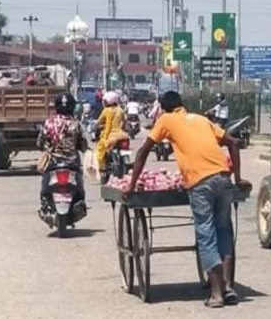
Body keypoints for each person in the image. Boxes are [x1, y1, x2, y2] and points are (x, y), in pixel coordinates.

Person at [125, 91, 250, 309]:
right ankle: (228, 286)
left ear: (163, 109)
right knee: (223, 231)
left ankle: (217, 294)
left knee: (206, 233)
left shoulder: (166, 119)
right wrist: (237, 178)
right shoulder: (202, 119)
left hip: (200, 183)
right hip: (223, 178)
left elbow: (144, 151)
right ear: (182, 104)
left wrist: (132, 184)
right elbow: (232, 142)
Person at [37, 94, 87, 208]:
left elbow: (40, 143)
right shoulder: (76, 124)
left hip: (53, 161)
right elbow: (83, 145)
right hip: (72, 162)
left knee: (45, 180)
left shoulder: (48, 122)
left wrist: (46, 148)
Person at [94, 91, 127, 180]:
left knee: (99, 151)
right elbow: (124, 122)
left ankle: (103, 169)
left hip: (109, 136)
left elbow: (98, 122)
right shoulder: (120, 110)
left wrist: (96, 125)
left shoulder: (106, 110)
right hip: (122, 135)